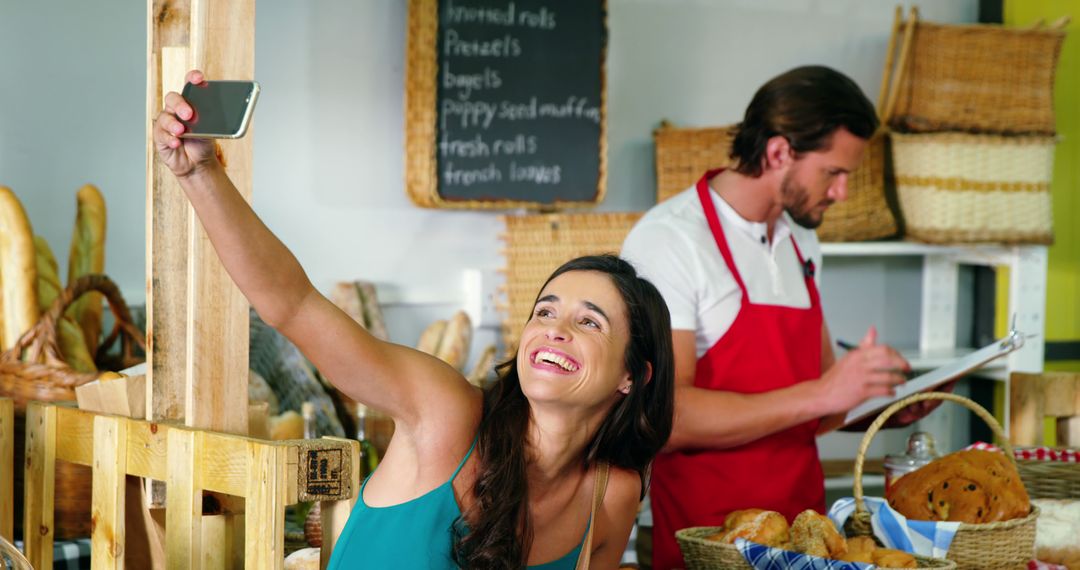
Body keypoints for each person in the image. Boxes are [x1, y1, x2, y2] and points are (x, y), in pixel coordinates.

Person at [154, 70, 674, 569]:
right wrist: (200, 173)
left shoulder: (611, 495)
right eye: (545, 310)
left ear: (634, 374)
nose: (555, 329)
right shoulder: (444, 413)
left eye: (590, 322)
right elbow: (291, 304)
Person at [620, 65, 940, 570]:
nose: (841, 192)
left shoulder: (801, 240)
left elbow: (818, 404)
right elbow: (667, 416)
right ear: (777, 153)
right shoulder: (669, 240)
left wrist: (875, 400)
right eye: (833, 172)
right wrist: (824, 392)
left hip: (805, 541)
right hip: (712, 542)